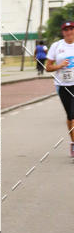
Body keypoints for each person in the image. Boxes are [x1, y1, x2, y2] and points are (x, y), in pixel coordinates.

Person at [46, 21, 74, 158]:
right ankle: (73, 142)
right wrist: (60, 66)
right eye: (66, 29)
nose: (69, 32)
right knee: (70, 117)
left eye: (71, 29)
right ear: (63, 32)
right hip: (63, 86)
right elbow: (48, 67)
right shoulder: (56, 46)